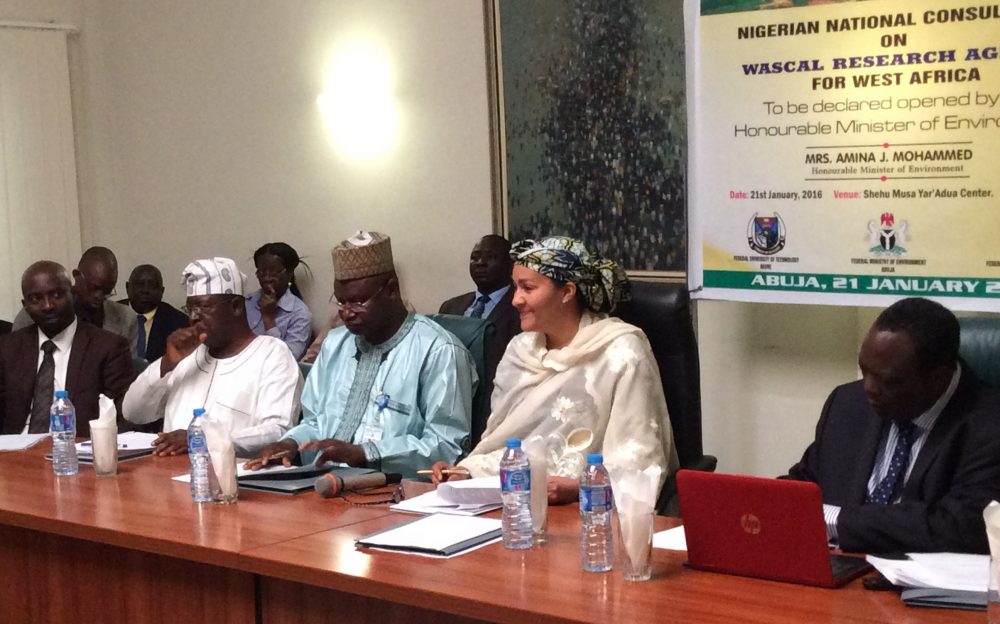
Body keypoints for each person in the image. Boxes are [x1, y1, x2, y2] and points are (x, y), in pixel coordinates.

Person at [432, 236, 678, 504]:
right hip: (513, 504)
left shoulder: (621, 353)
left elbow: (639, 461)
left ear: (567, 292)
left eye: (528, 288)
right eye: (515, 287)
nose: (516, 300)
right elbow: (504, 445)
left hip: (587, 511)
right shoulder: (520, 350)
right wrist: (465, 471)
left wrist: (580, 488)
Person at [247, 231, 476, 478]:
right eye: (341, 302)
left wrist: (365, 453)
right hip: (321, 485)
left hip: (396, 493)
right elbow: (314, 423)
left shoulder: (438, 350)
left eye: (358, 301)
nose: (347, 313)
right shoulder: (336, 344)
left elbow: (448, 446)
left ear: (391, 290)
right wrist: (290, 444)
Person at [785, 297, 1000, 554]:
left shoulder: (989, 425)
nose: (869, 389)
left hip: (923, 587)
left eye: (888, 380)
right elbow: (805, 484)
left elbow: (963, 525)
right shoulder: (847, 404)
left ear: (938, 378)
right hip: (842, 571)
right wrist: (758, 504)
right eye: (864, 370)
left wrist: (837, 521)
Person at [123, 257, 303, 456]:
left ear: (235, 306)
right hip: (169, 475)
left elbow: (277, 431)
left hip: (236, 480)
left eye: (202, 308)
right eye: (190, 308)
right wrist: (167, 363)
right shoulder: (187, 356)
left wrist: (201, 439)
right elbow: (133, 413)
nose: (193, 317)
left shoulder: (272, 355)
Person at [0, 261, 134, 436]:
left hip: (77, 452)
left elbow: (126, 417)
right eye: (36, 299)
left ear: (73, 294)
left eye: (56, 295)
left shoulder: (108, 347)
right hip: (14, 454)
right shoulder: (8, 348)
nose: (47, 305)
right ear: (25, 305)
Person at [13, 247, 138, 356]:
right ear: (76, 276)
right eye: (93, 288)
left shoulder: (125, 319)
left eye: (107, 290)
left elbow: (129, 372)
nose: (99, 296)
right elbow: (18, 366)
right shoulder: (36, 313)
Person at [439, 234, 521, 357]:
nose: (480, 263)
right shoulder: (449, 307)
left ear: (510, 265)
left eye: (490, 257)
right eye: (475, 258)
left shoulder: (521, 308)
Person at [245, 242, 313, 360]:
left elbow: (288, 359)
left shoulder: (300, 314)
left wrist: (268, 318)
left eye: (273, 272)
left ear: (289, 273)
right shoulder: (246, 302)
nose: (267, 278)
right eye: (262, 271)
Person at [122, 264, 189, 362]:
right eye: (139, 284)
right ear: (127, 287)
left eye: (152, 285)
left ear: (162, 291)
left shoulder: (180, 323)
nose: (145, 290)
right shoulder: (109, 312)